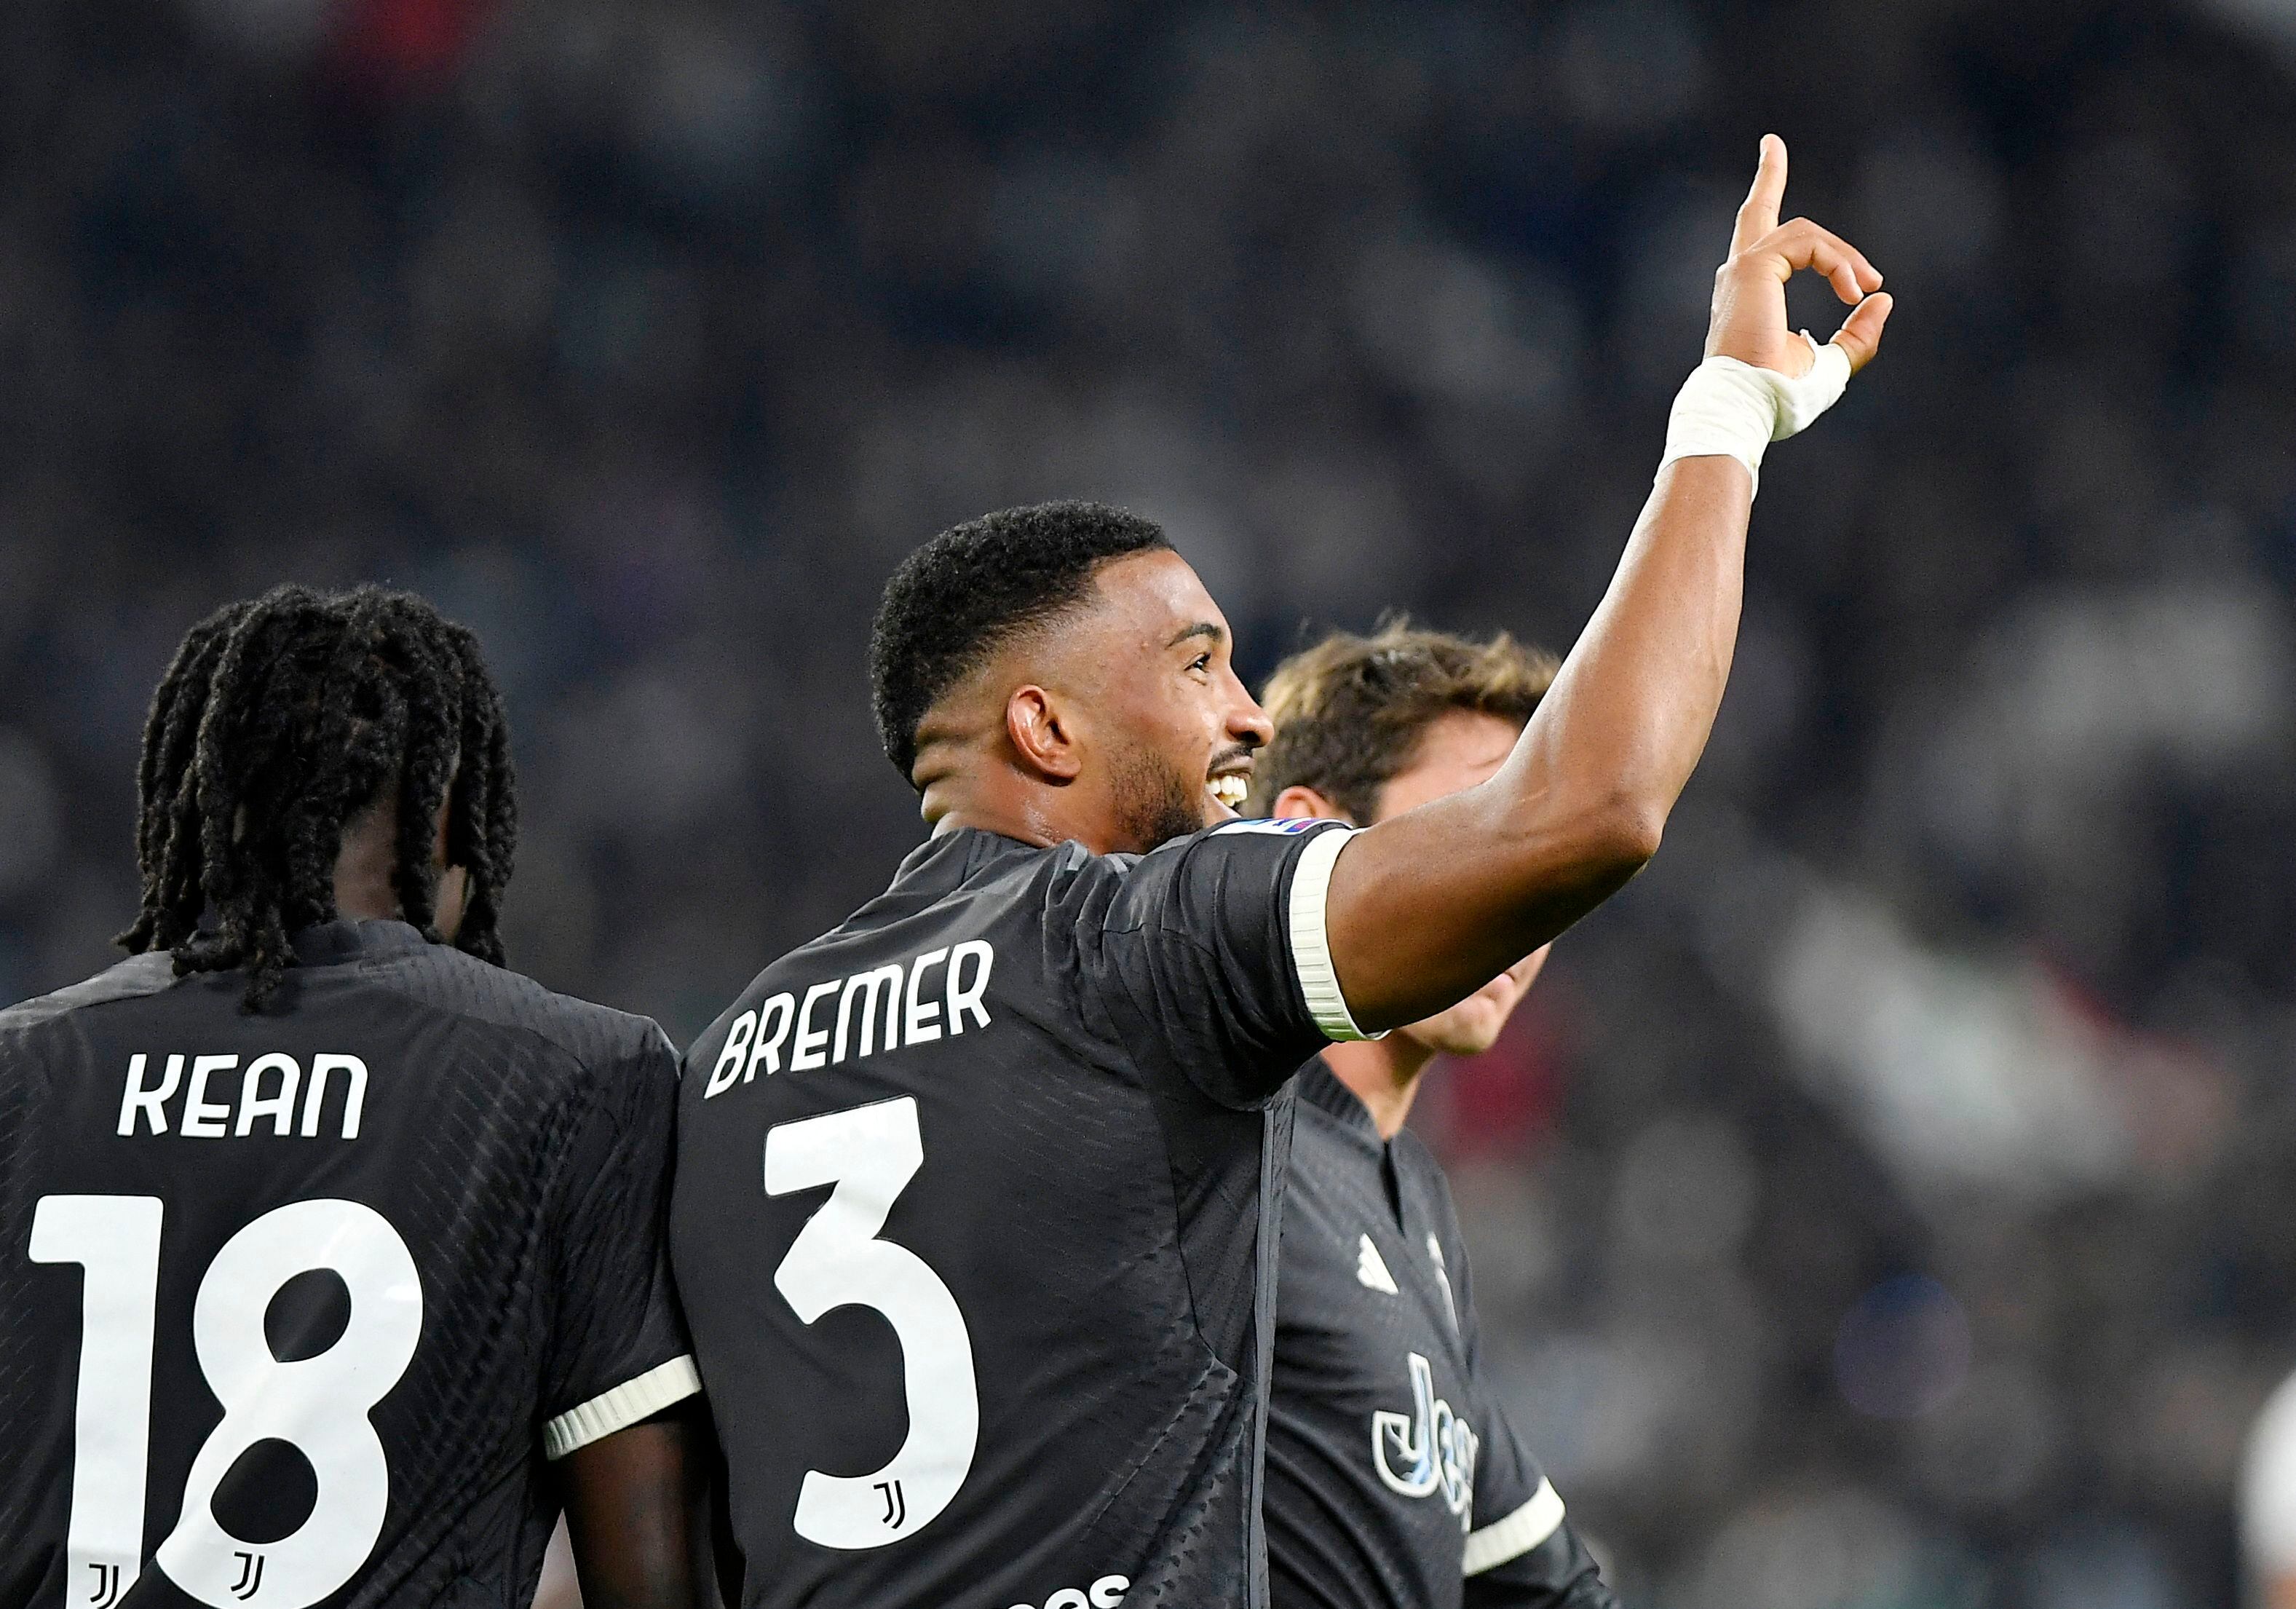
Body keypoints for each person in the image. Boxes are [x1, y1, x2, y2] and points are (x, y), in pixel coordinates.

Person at [670, 134, 1891, 1609]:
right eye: (1198, 664)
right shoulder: (1130, 948)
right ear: (1043, 725)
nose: (1246, 713)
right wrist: (1728, 412)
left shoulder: (732, 1056)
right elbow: (1596, 809)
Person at [0, 587, 707, 1609]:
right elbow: (647, 1582)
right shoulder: (578, 1077)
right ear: (451, 812)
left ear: (201, 801)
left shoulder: (22, 1072)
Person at [1246, 622, 1612, 1609]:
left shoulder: (1413, 1200)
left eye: (1533, 847)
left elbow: (1536, 1580)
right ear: (1307, 830)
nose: (1515, 891)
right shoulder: (1217, 1130)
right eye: (1474, 824)